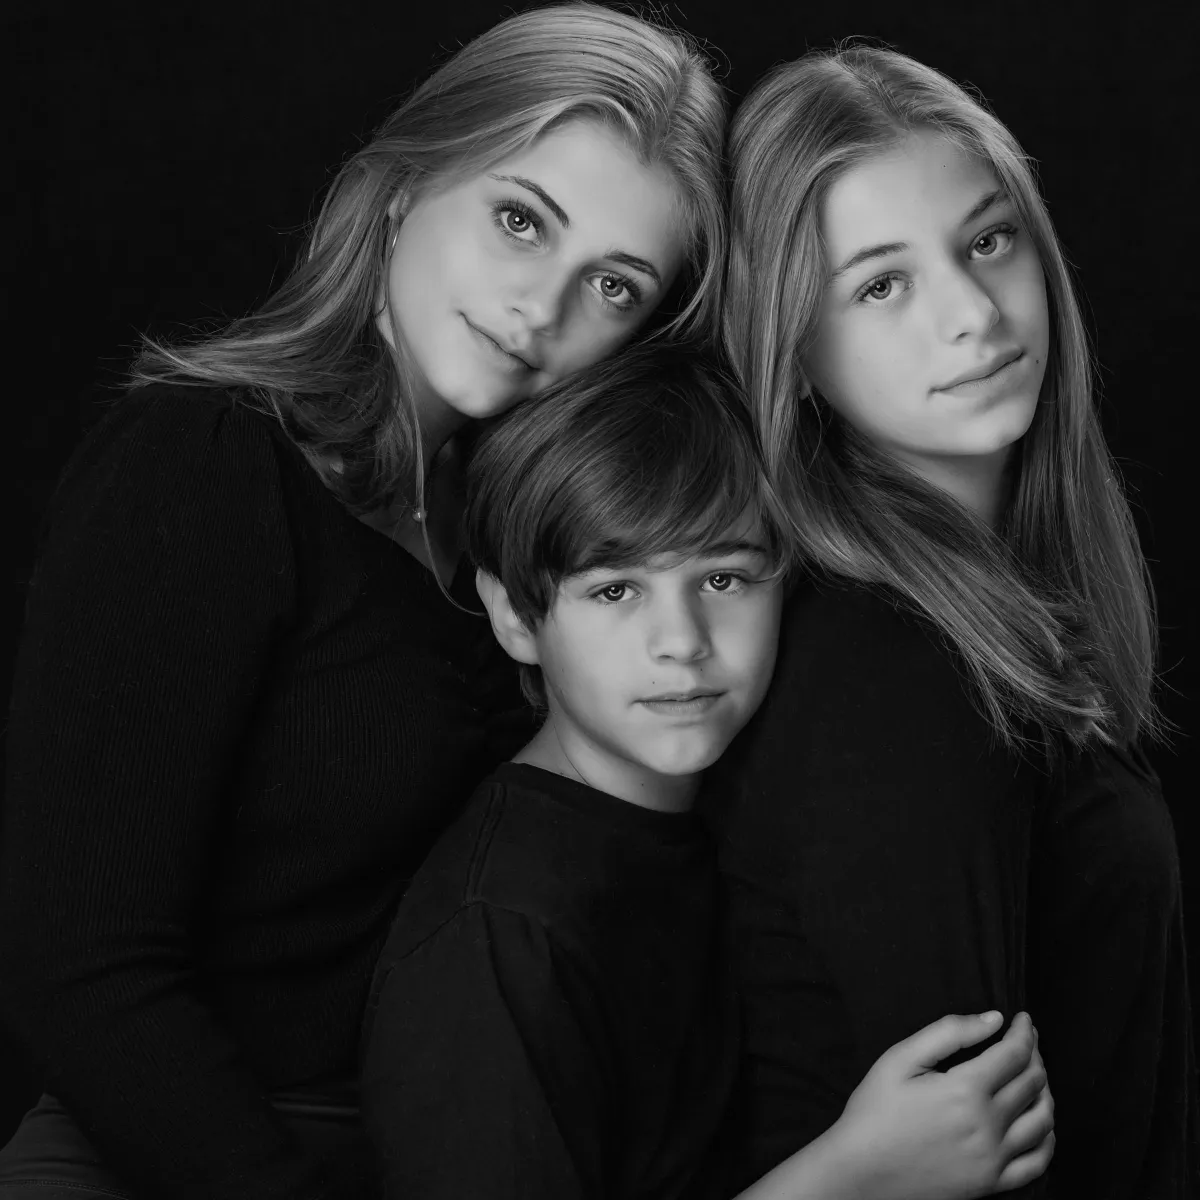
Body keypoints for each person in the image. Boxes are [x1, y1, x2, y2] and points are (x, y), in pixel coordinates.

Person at [0, 6, 728, 1198]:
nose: (542, 309)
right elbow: (76, 967)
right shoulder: (206, 468)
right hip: (168, 1160)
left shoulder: (511, 536)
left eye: (612, 284)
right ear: (404, 181)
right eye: (518, 220)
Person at [360, 342, 1055, 1200]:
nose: (682, 641)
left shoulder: (727, 820)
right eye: (615, 591)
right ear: (513, 614)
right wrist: (853, 1175)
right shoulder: (499, 939)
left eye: (723, 577)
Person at [706, 42, 1197, 1199]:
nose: (975, 313)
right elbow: (977, 1159)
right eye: (882, 284)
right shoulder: (892, 669)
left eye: (987, 240)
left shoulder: (984, 616)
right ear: (796, 354)